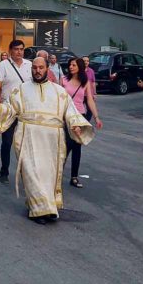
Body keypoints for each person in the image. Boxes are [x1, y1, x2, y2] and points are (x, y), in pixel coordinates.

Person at [0, 57, 94, 223]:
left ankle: (48, 207)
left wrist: (76, 125)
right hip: (27, 138)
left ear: (47, 69)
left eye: (41, 67)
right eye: (35, 68)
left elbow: (71, 111)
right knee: (31, 172)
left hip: (52, 141)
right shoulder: (21, 89)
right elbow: (11, 108)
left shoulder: (59, 91)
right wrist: (0, 109)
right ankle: (38, 210)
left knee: (48, 174)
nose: (37, 70)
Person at [0, 40, 32, 185]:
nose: (19, 52)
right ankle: (4, 171)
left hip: (26, 110)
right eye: (16, 49)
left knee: (25, 143)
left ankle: (25, 172)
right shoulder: (4, 65)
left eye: (21, 49)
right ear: (10, 50)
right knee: (7, 142)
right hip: (8, 108)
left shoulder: (29, 64)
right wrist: (0, 104)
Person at [62, 57, 103, 188]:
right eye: (70, 65)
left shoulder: (85, 83)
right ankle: (57, 172)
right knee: (66, 145)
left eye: (74, 65)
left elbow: (89, 100)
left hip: (79, 115)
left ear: (79, 67)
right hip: (66, 116)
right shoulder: (64, 80)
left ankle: (74, 177)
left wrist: (96, 117)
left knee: (77, 146)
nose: (71, 67)